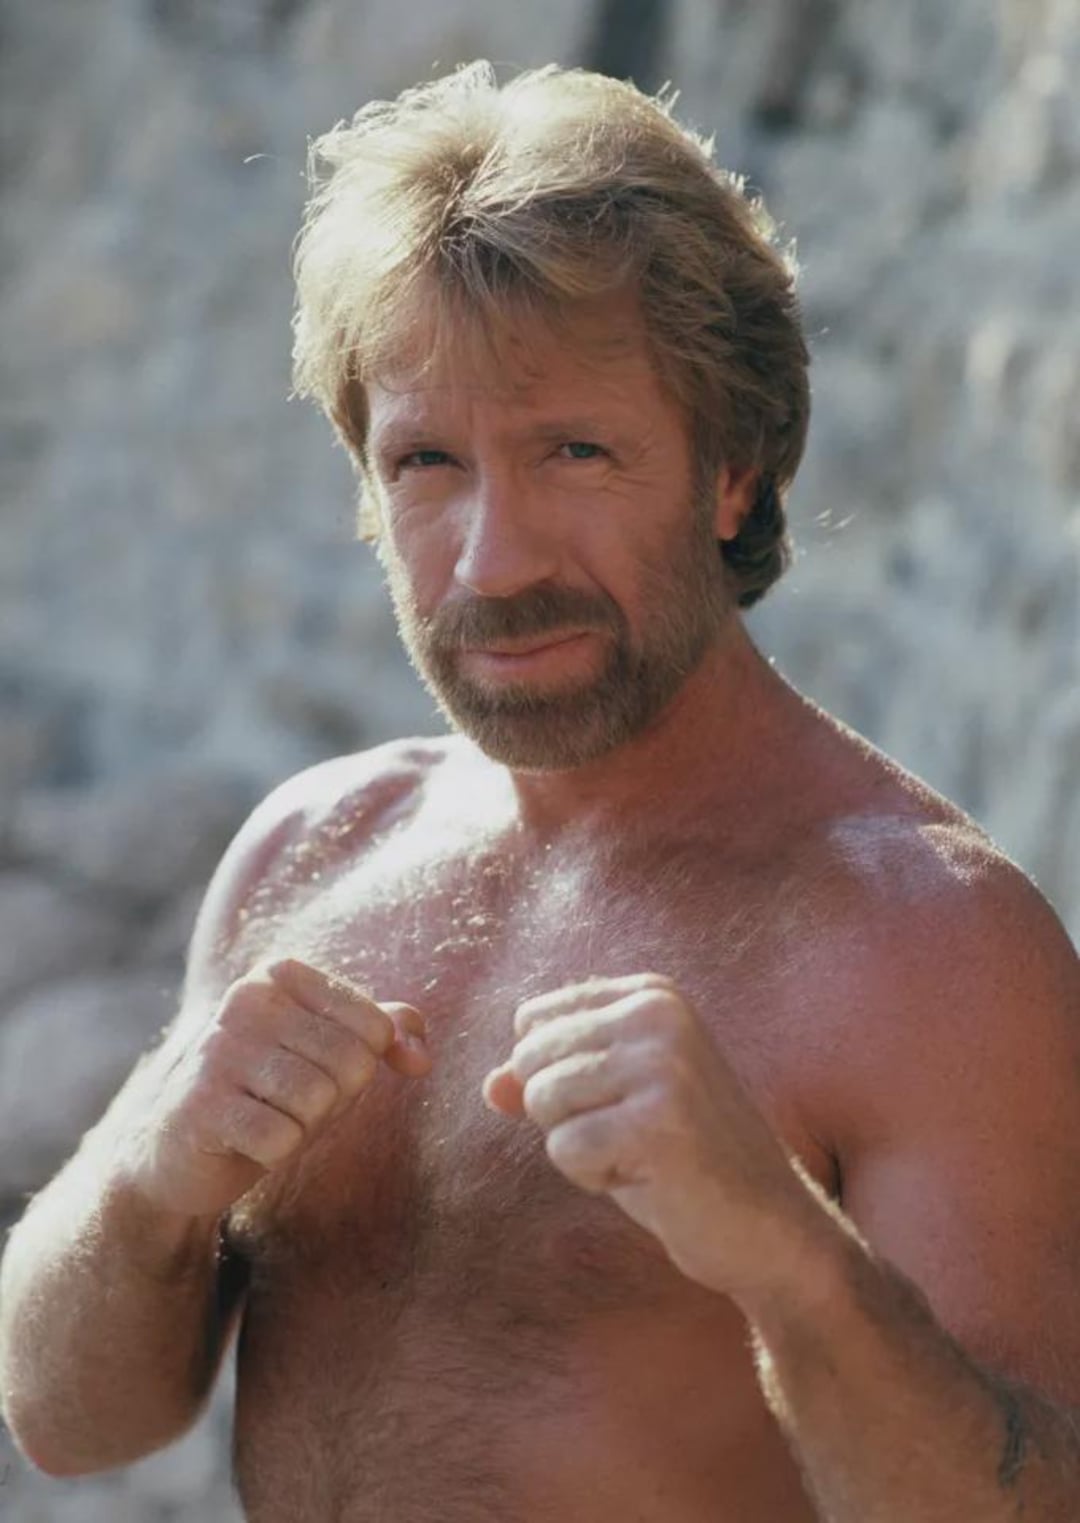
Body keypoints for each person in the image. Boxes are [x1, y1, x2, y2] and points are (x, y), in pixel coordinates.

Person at [2, 60, 1080, 1523]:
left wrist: (785, 1255)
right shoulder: (312, 854)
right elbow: (74, 1423)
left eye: (575, 451)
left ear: (734, 473)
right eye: (429, 463)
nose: (493, 563)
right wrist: (143, 1177)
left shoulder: (929, 951)